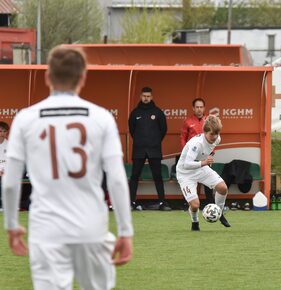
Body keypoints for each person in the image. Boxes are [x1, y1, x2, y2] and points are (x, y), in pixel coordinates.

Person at [2, 46, 133, 290]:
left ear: (47, 77)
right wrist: (125, 230)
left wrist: (11, 225)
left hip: (46, 229)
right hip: (91, 226)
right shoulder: (101, 117)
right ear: (83, 77)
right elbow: (116, 179)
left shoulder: (25, 119)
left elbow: (10, 182)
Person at [176, 115, 230, 231]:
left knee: (222, 188)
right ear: (205, 132)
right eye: (211, 134)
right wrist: (205, 162)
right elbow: (187, 164)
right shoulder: (197, 143)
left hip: (200, 168)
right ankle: (195, 222)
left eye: (216, 134)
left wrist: (207, 159)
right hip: (185, 173)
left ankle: (219, 213)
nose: (214, 137)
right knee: (195, 205)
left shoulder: (217, 138)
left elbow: (211, 150)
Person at [128, 86, 171, 211]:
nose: (146, 98)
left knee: (157, 176)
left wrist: (155, 141)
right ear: (141, 97)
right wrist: (141, 141)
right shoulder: (135, 113)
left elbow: (163, 130)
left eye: (148, 96)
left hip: (154, 149)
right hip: (139, 149)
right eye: (144, 96)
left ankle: (162, 202)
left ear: (151, 97)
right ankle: (131, 202)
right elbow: (132, 130)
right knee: (134, 176)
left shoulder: (158, 112)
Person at [180, 97, 214, 205]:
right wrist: (185, 154)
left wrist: (211, 153)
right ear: (193, 108)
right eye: (197, 107)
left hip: (205, 157)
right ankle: (190, 203)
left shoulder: (209, 121)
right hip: (192, 158)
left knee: (208, 181)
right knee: (191, 181)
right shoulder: (187, 122)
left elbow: (214, 138)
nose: (199, 109)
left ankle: (211, 204)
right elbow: (182, 138)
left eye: (201, 107)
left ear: (204, 108)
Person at [0, 121, 9, 211]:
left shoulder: (10, 144)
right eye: (0, 131)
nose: (2, 133)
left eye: (4, 131)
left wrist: (4, 170)